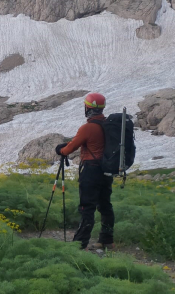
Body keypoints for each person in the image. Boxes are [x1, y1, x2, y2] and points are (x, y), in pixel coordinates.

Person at [55, 92, 114, 250]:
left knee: (87, 207)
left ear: (88, 108)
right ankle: (107, 240)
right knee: (105, 205)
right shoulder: (109, 125)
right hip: (107, 171)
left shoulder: (88, 128)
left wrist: (61, 150)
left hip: (91, 171)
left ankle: (79, 245)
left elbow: (69, 149)